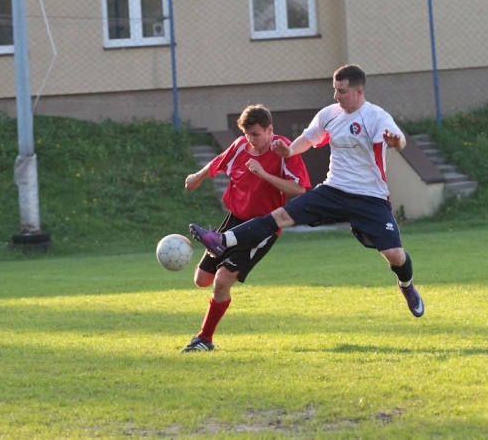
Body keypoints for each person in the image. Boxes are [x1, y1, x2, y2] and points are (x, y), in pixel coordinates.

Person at [189, 64, 424, 318]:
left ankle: (406, 286)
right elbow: (309, 139)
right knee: (281, 215)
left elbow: (399, 139)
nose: (336, 96)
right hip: (334, 190)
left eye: (342, 91)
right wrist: (289, 151)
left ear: (359, 91)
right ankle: (223, 240)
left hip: (370, 197)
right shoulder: (329, 114)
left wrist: (396, 142)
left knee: (395, 255)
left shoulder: (375, 117)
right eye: (335, 90)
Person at [180, 104, 311, 352]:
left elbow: (299, 189)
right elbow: (218, 162)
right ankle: (215, 251)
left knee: (222, 280)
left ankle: (204, 339)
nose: (252, 140)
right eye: (248, 134)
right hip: (234, 220)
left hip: (262, 227)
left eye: (256, 134)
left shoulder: (284, 150)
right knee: (202, 280)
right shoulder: (241, 145)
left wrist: (263, 174)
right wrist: (197, 177)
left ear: (270, 129)